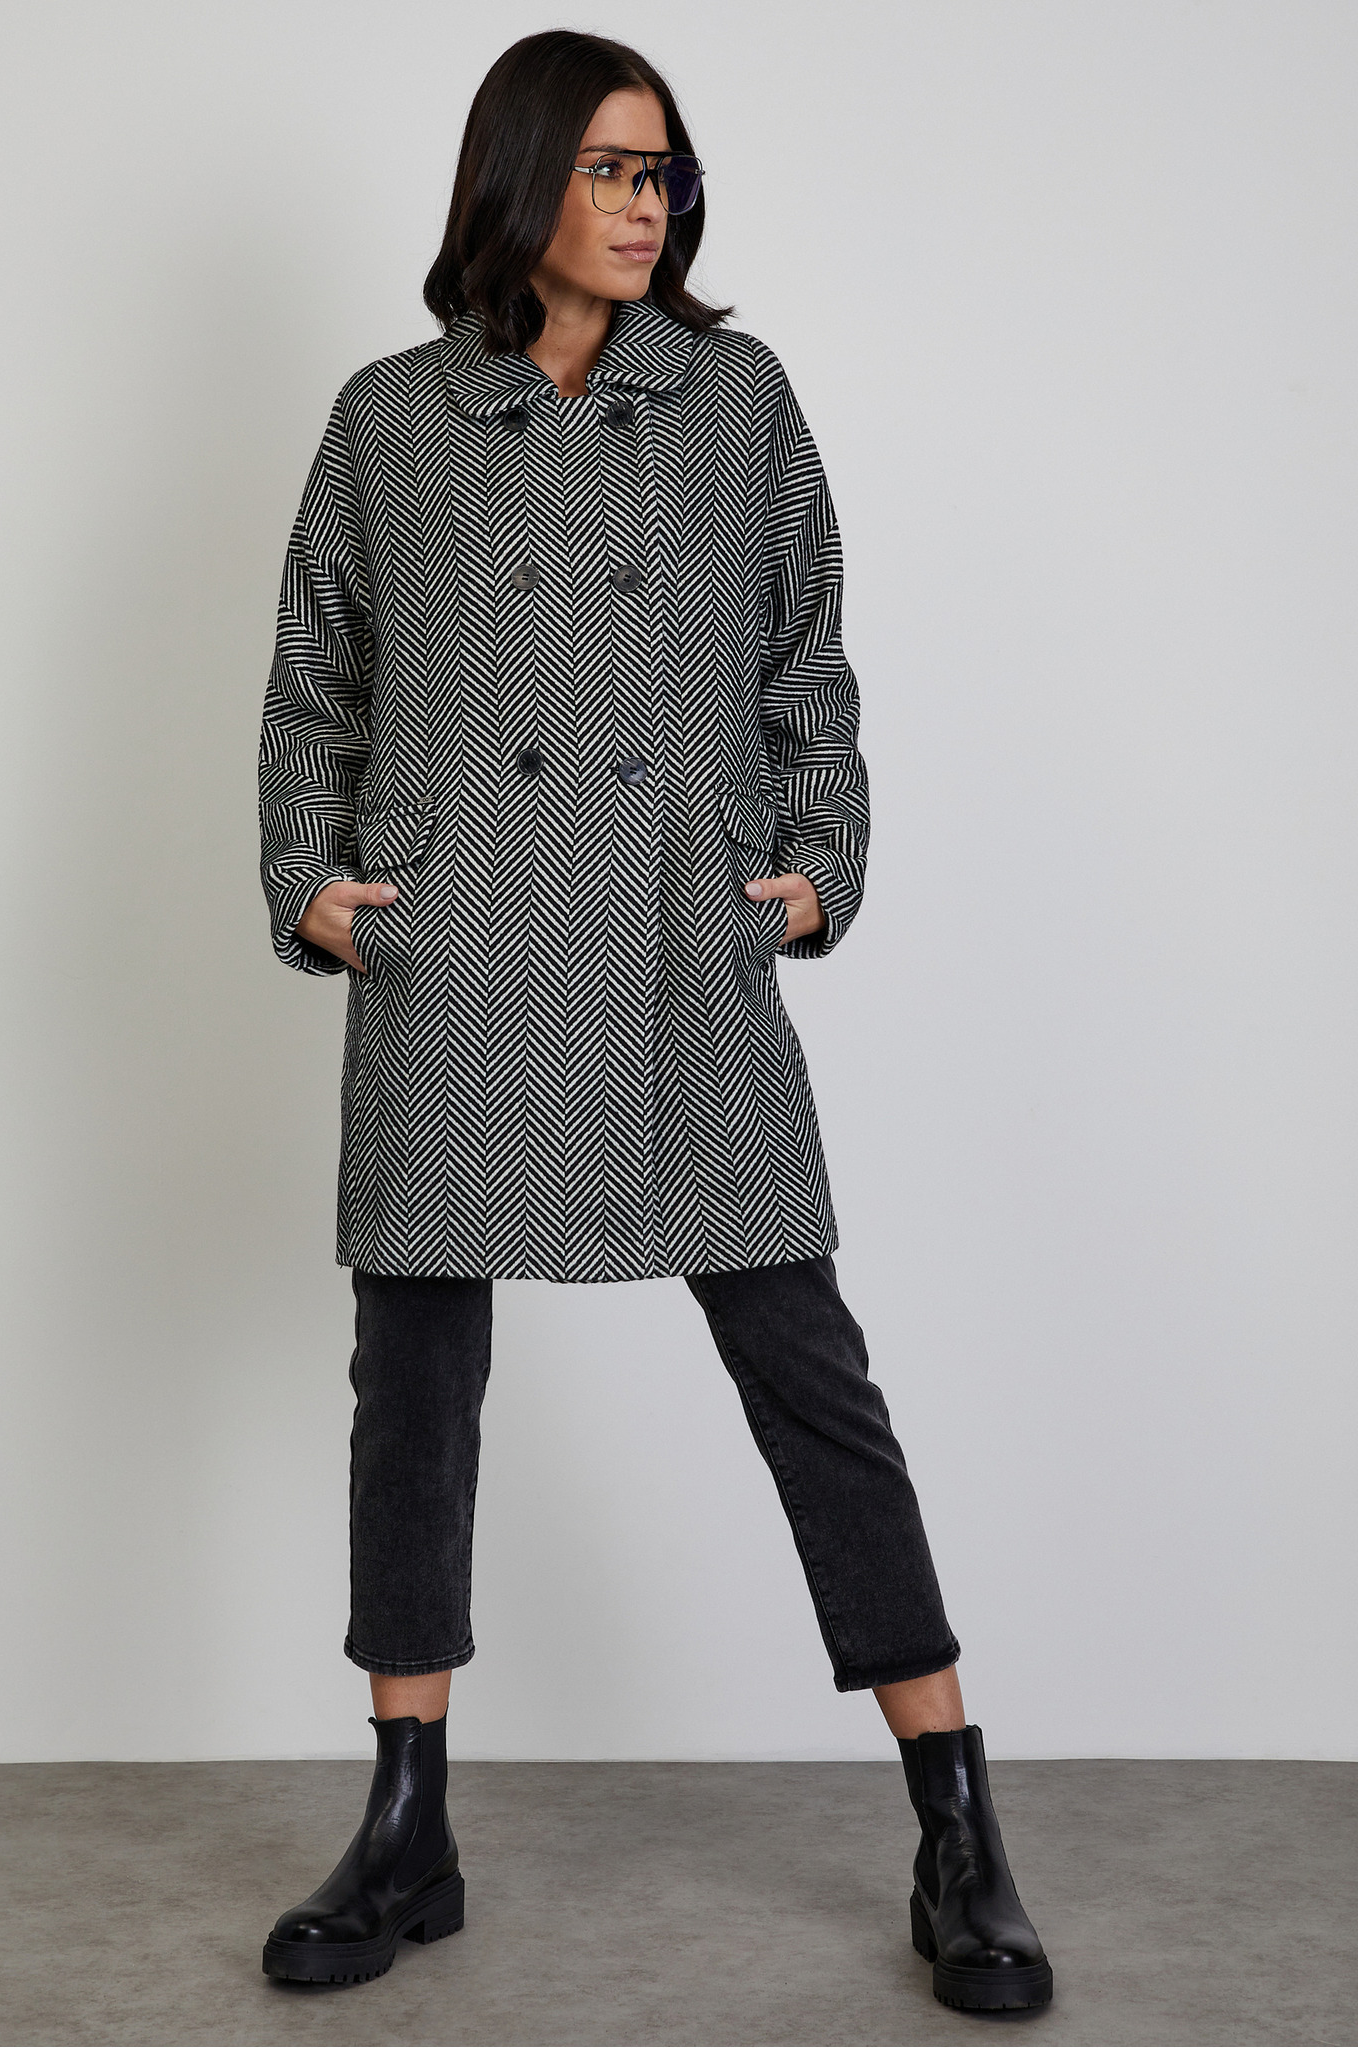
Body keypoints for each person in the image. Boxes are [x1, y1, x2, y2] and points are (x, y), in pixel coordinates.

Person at [255, 28, 1052, 2015]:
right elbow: (316, 683)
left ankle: (957, 1819)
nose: (649, 203)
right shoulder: (389, 419)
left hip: (681, 937)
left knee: (808, 1370)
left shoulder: (736, 401)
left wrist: (818, 859)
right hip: (457, 944)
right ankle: (407, 1820)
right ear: (520, 178)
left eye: (665, 172)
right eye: (614, 167)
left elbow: (808, 660)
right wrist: (309, 873)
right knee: (414, 1390)